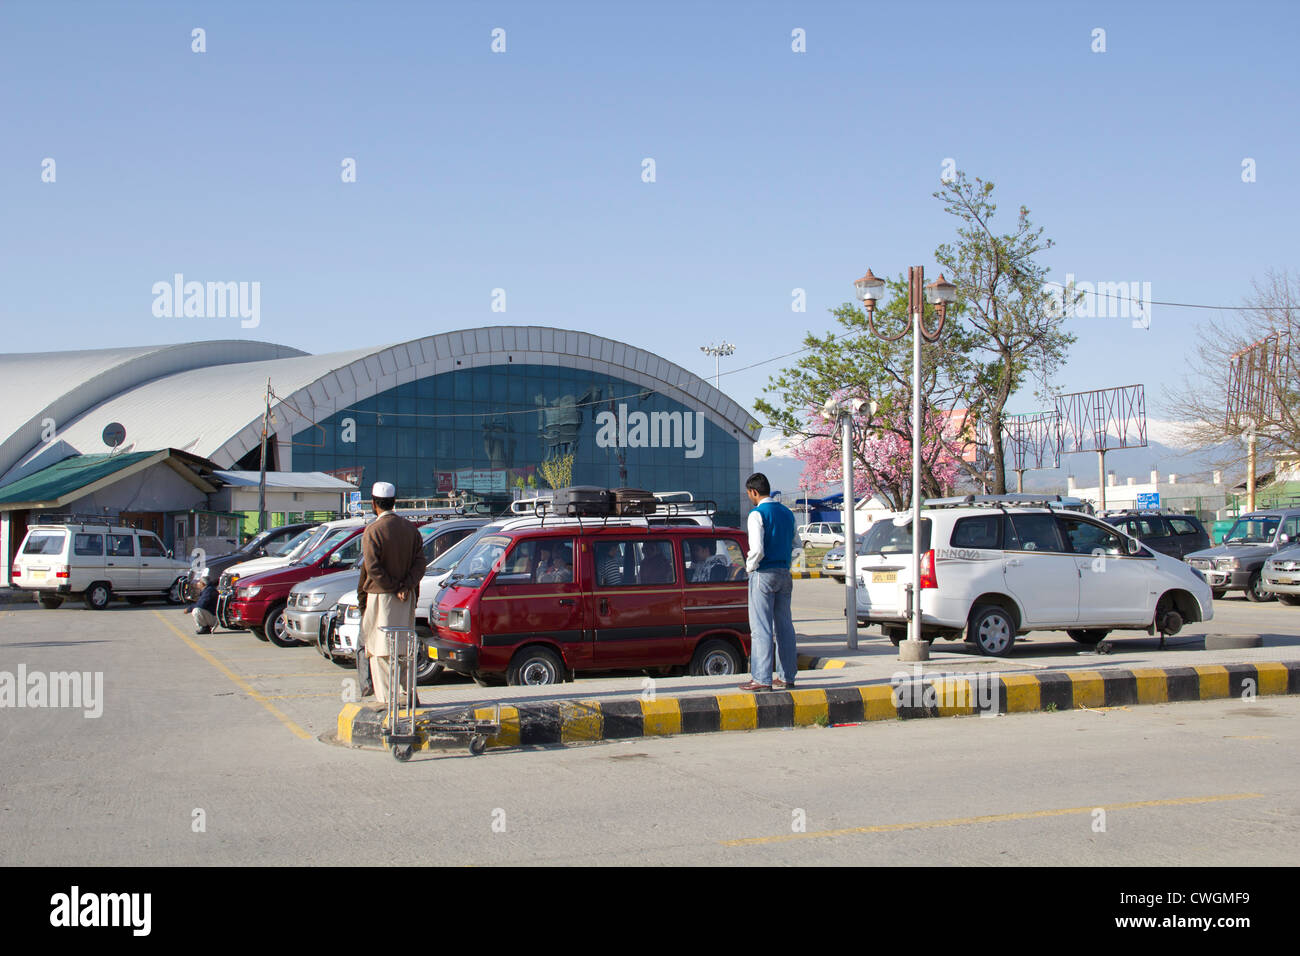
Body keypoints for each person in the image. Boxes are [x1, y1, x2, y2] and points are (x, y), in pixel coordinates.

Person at [358, 481, 428, 709]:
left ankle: (388, 702)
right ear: (394, 502)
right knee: (403, 650)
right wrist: (405, 586)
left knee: (381, 652)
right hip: (406, 598)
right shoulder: (411, 530)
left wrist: (393, 586)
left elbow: (373, 568)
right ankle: (408, 697)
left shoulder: (373, 531)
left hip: (382, 597)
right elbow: (420, 564)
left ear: (373, 503)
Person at [740, 473, 798, 691]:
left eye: (749, 495)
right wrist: (785, 562)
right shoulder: (787, 513)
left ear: (754, 492)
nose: (750, 499)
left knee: (761, 628)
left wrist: (749, 568)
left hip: (763, 573)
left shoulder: (757, 514)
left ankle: (762, 678)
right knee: (785, 627)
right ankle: (787, 676)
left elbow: (757, 550)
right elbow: (797, 545)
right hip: (784, 572)